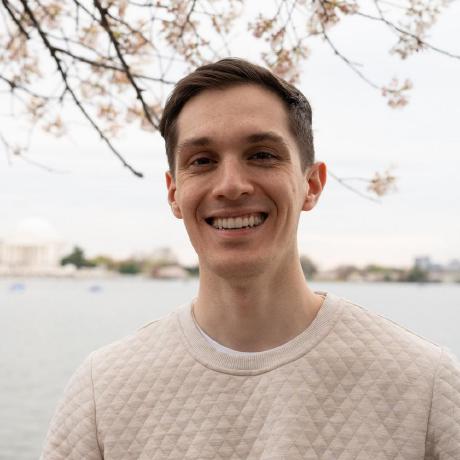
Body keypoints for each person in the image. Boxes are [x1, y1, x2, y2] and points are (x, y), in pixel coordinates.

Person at [41, 58, 460, 459]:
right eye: (202, 161)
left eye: (262, 155)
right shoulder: (103, 391)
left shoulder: (426, 385)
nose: (231, 185)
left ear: (312, 184)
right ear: (174, 194)